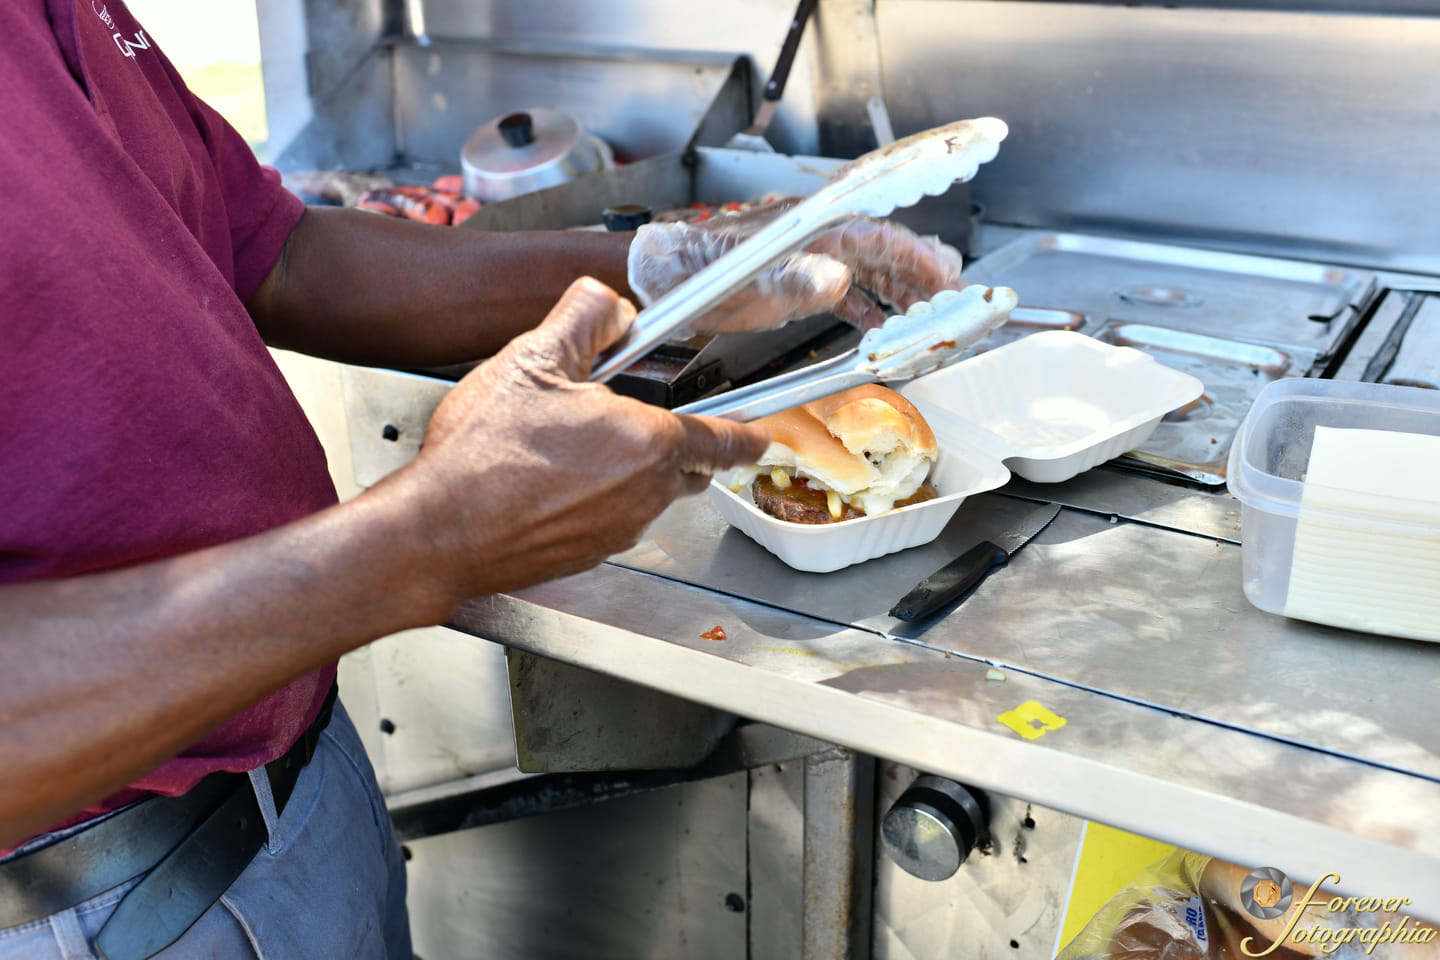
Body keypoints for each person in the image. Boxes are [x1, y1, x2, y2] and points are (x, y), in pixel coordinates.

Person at [0, 0, 967, 957]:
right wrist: (426, 540)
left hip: (299, 788)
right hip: (97, 897)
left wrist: (666, 272)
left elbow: (273, 250)